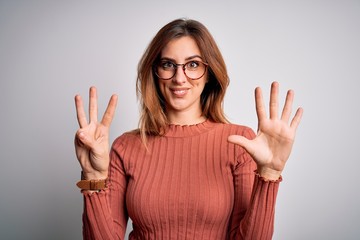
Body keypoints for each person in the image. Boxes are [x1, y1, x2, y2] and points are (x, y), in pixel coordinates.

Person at [74, 18, 303, 240]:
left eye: (192, 64)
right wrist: (94, 178)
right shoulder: (126, 147)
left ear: (209, 74)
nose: (179, 78)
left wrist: (269, 174)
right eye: (168, 65)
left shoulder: (239, 142)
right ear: (155, 72)